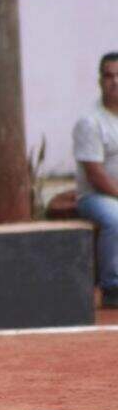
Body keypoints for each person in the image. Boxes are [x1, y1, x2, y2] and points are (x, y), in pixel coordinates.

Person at [73, 52, 118, 309]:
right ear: (100, 81)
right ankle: (112, 286)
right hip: (95, 196)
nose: (114, 81)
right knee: (116, 218)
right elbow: (95, 173)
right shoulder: (91, 122)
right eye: (108, 75)